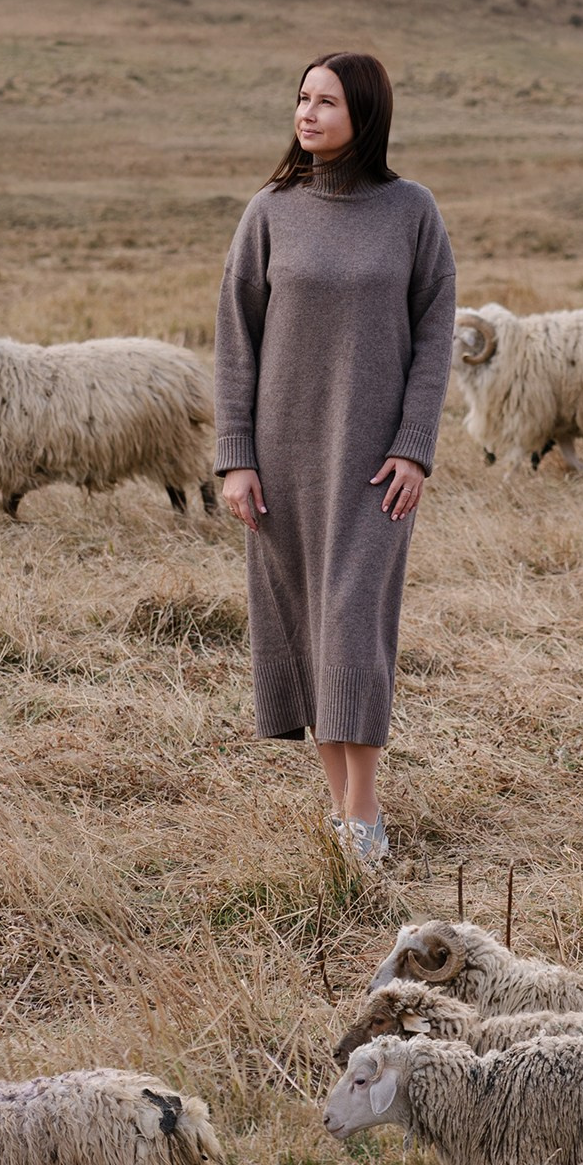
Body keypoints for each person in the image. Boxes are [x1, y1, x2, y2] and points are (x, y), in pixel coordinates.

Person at [214, 52, 457, 867]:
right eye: (301, 98)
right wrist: (234, 458)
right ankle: (348, 816)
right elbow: (235, 341)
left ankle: (363, 810)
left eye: (326, 101)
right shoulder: (270, 212)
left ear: (366, 115)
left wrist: (414, 448)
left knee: (353, 624)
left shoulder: (411, 211)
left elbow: (434, 338)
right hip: (282, 462)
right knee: (305, 631)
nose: (308, 114)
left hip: (375, 467)